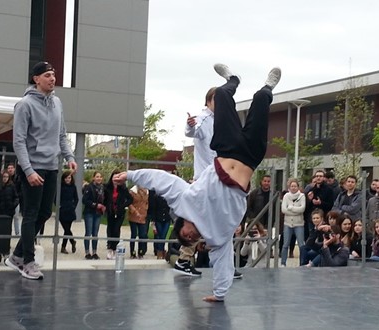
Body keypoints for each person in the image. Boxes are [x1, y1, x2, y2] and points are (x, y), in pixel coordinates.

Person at [112, 63, 281, 302]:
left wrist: (130, 175)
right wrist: (219, 294)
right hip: (250, 158)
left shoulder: (184, 202)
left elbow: (162, 180)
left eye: (186, 235)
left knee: (221, 95)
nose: (191, 237)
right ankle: (268, 86)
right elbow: (222, 261)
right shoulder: (216, 236)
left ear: (181, 224)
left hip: (226, 148)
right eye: (191, 240)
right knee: (261, 99)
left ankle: (233, 79)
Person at [5, 61, 77, 280]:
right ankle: (27, 262)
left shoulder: (57, 102)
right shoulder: (25, 105)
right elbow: (18, 142)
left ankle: (16, 255)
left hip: (51, 166)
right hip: (33, 167)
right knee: (31, 214)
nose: (52, 78)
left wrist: (69, 156)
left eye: (53, 75)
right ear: (36, 79)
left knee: (45, 213)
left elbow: (61, 134)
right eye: (47, 75)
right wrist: (27, 170)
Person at [174, 86, 218, 276]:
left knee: (220, 220)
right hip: (204, 179)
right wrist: (190, 124)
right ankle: (184, 259)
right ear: (208, 101)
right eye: (217, 100)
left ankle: (223, 263)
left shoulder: (222, 121)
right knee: (197, 219)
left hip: (218, 178)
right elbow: (192, 130)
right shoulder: (204, 118)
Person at [104, 170, 133, 260]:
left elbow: (130, 199)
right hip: (110, 211)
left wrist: (123, 205)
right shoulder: (107, 187)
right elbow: (103, 198)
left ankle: (114, 248)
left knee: (116, 230)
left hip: (119, 212)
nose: (115, 179)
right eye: (114, 177)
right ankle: (110, 248)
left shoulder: (123, 189)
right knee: (110, 229)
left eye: (117, 177)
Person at [280, 178, 305, 267]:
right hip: (287, 223)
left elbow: (302, 209)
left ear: (298, 187)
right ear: (289, 187)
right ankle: (283, 263)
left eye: (295, 186)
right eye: (292, 186)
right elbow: (283, 210)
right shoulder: (286, 196)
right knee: (285, 244)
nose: (293, 188)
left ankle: (302, 263)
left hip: (299, 224)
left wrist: (291, 208)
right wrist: (294, 211)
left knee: (301, 244)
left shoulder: (302, 196)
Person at [82, 171, 106, 260]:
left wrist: (104, 206)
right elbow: (84, 200)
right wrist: (95, 205)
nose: (99, 178)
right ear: (93, 178)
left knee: (95, 233)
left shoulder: (103, 188)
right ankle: (87, 252)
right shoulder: (89, 187)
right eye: (97, 176)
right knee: (88, 232)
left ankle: (95, 251)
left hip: (98, 213)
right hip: (89, 212)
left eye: (100, 177)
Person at [147, 189, 173, 259]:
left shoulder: (169, 197)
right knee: (159, 236)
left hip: (167, 219)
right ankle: (160, 251)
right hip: (158, 219)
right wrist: (153, 221)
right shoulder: (156, 197)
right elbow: (154, 209)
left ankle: (160, 251)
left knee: (163, 236)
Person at [59, 170, 78, 254]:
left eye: (69, 178)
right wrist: (58, 206)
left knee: (67, 230)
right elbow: (56, 197)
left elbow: (76, 198)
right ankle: (72, 241)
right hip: (62, 210)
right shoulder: (60, 187)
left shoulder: (73, 187)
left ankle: (63, 247)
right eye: (66, 178)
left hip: (70, 210)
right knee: (66, 229)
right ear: (63, 179)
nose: (68, 179)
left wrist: (73, 206)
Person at [128, 185, 149, 259]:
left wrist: (145, 211)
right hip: (134, 215)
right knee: (134, 234)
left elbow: (147, 202)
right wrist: (135, 211)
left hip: (143, 216)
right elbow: (129, 203)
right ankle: (132, 252)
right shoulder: (132, 191)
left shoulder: (147, 191)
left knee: (142, 234)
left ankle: (141, 252)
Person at [6, 162, 22, 236]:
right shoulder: (5, 178)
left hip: (15, 200)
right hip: (7, 200)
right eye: (9, 168)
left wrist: (17, 198)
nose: (10, 170)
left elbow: (20, 189)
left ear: (14, 169)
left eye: (11, 168)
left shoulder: (18, 178)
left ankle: (17, 232)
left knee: (16, 216)